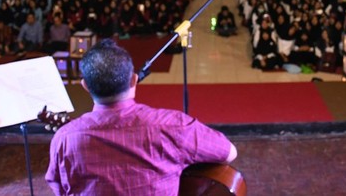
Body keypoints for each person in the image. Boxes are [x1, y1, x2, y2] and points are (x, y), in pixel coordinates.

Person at [46, 39, 237, 195]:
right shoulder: (172, 126)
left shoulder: (64, 139)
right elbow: (229, 152)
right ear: (134, 80)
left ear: (85, 85)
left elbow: (60, 189)